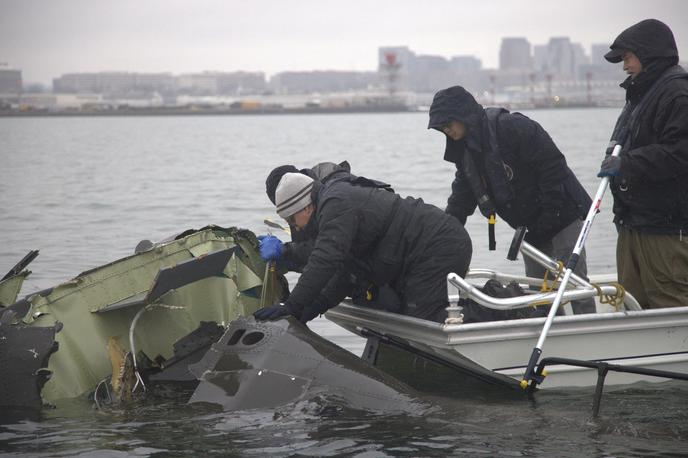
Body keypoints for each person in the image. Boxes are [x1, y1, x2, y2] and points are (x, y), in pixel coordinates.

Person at [428, 85, 595, 314]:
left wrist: (551, 212)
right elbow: (461, 197)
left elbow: (553, 166)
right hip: (530, 226)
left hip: (563, 213)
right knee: (539, 291)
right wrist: (445, 231)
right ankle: (551, 335)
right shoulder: (465, 152)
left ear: (463, 116)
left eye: (448, 123)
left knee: (574, 281)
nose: (446, 130)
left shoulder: (512, 127)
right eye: (441, 127)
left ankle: (587, 331)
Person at [253, 171, 472, 324]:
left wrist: (292, 305)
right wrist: (307, 311)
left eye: (292, 220)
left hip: (439, 245)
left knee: (425, 319)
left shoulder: (336, 203)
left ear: (306, 207)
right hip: (421, 252)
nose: (294, 227)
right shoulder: (331, 209)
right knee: (406, 313)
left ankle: (498, 311)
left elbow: (325, 260)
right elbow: (346, 275)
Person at [596, 19, 688, 309]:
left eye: (627, 57)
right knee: (630, 302)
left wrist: (627, 164)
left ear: (648, 54)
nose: (624, 66)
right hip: (633, 222)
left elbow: (680, 152)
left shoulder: (676, 93)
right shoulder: (640, 94)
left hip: (665, 226)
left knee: (668, 299)